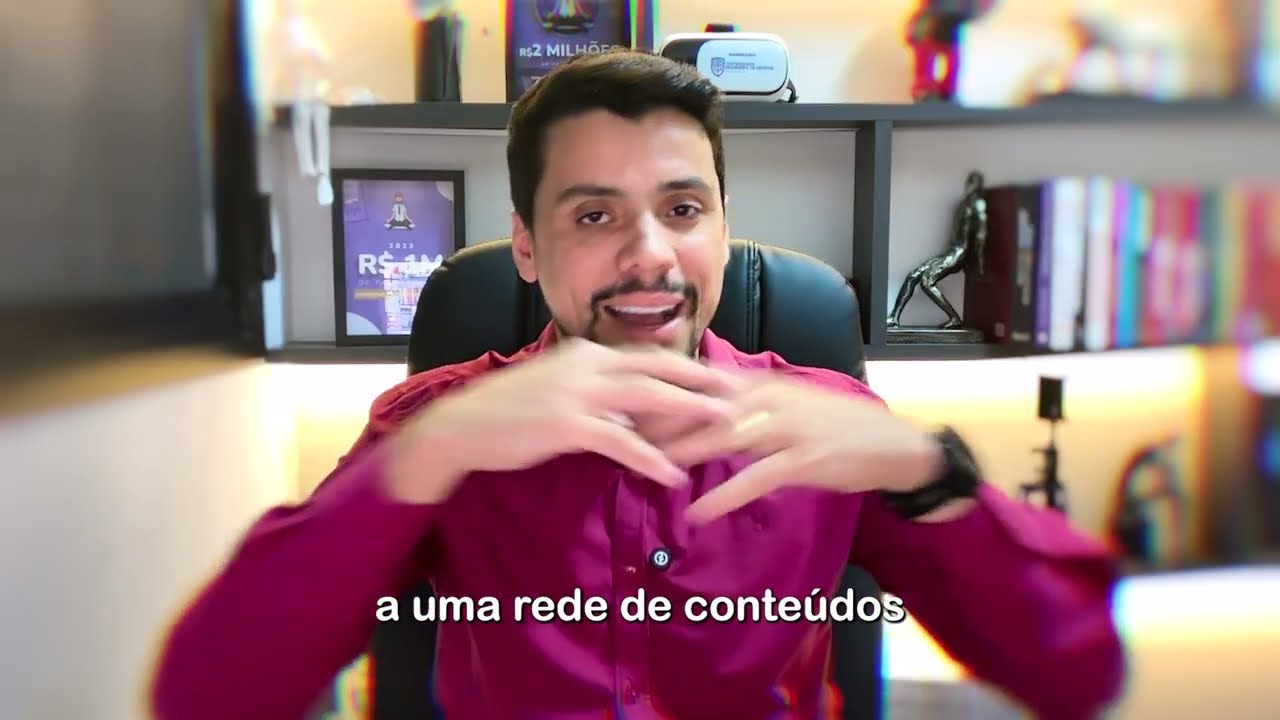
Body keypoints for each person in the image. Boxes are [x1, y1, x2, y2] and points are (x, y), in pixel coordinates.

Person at [150, 49, 1125, 719]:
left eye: (682, 208)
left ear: (722, 228)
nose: (649, 254)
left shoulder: (828, 429)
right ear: (526, 246)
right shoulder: (438, 426)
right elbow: (211, 692)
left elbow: (1078, 668)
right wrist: (422, 462)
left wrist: (927, 473)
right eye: (593, 216)